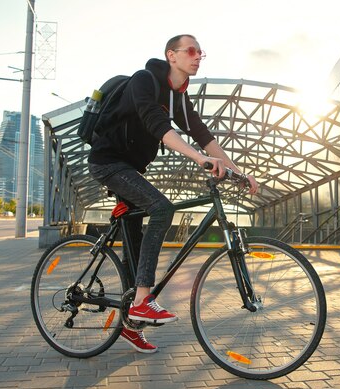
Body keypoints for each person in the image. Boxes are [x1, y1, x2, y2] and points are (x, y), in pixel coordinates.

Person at [88, 34, 258, 353]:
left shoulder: (179, 97)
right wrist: (200, 159)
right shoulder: (145, 80)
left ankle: (130, 321)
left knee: (136, 245)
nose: (197, 57)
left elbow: (204, 136)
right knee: (162, 209)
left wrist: (238, 171)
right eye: (190, 51)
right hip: (108, 162)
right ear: (172, 55)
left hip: (132, 169)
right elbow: (156, 125)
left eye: (200, 52)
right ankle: (141, 302)